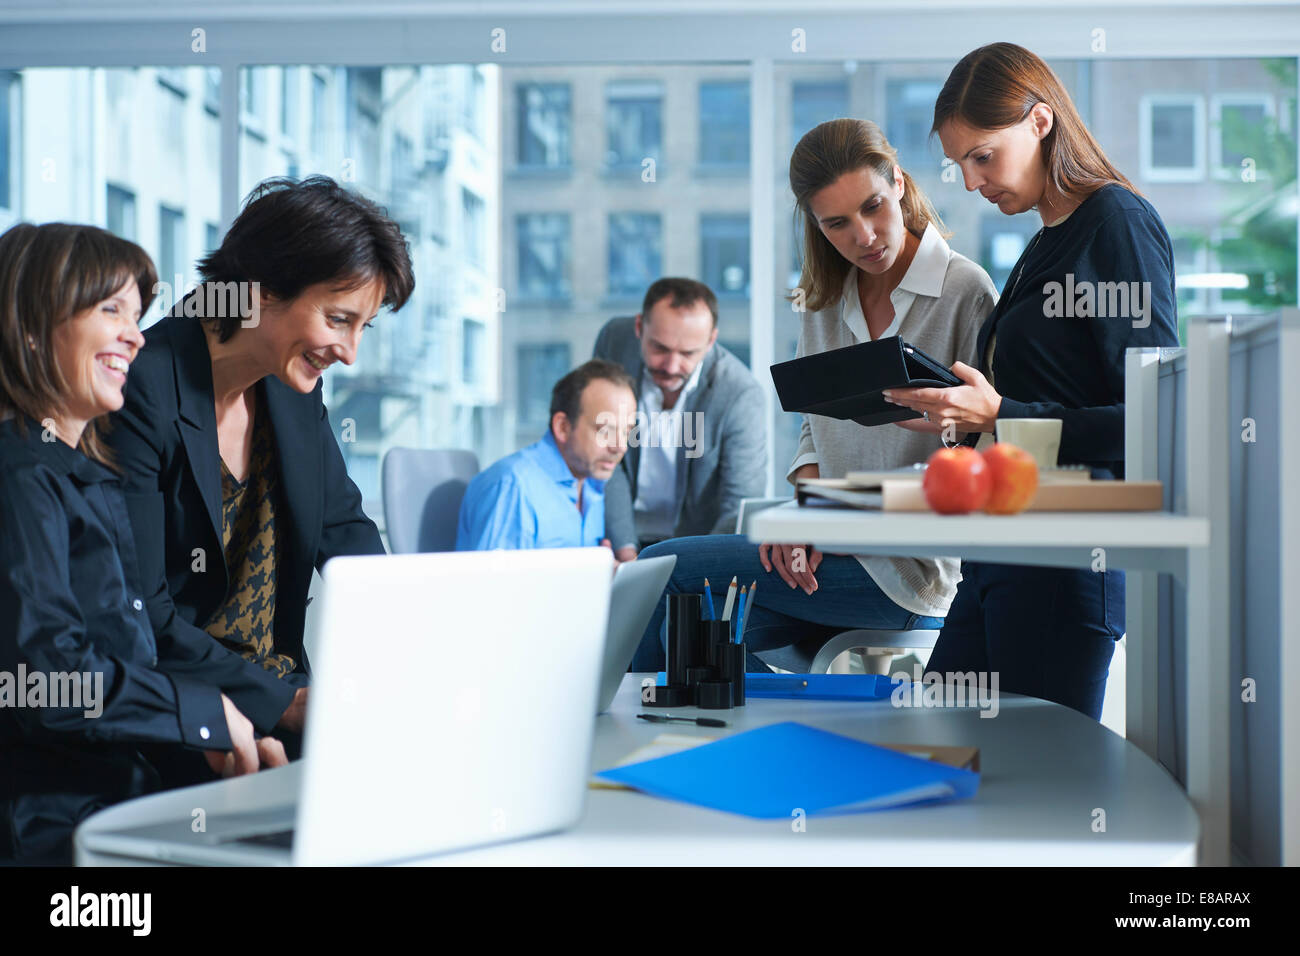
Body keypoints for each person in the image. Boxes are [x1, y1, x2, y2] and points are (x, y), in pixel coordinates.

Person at [632, 119, 996, 673]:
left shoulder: (965, 290)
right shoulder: (824, 300)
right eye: (837, 224)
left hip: (908, 568)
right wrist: (806, 510)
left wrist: (827, 518)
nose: (864, 237)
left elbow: (983, 451)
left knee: (658, 571)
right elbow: (814, 428)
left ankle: (616, 741)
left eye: (873, 206)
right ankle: (712, 751)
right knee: (697, 627)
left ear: (898, 182)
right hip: (831, 546)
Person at [885, 42, 1180, 720]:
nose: (969, 182)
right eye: (959, 164)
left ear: (1041, 122)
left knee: (1028, 794)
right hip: (1004, 549)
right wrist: (965, 419)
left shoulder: (1114, 224)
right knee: (946, 750)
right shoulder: (1046, 241)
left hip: (1066, 556)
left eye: (982, 156)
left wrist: (999, 414)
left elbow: (1153, 418)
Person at [105, 175, 414, 768]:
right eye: (338, 320)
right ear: (263, 291)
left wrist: (407, 645)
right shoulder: (142, 390)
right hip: (184, 714)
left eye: (363, 328)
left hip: (288, 703)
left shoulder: (294, 387)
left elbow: (345, 531)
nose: (350, 353)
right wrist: (289, 703)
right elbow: (141, 610)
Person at [0, 223, 285, 865]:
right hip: (57, 837)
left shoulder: (84, 475)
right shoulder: (19, 478)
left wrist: (209, 734)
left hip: (123, 801)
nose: (135, 333)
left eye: (137, 313)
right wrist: (198, 714)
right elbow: (44, 681)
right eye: (111, 310)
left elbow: (122, 667)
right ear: (30, 328)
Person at [592, 278, 767, 561]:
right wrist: (625, 550)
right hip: (618, 534)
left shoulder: (740, 394)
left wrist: (691, 572)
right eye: (660, 348)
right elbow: (607, 457)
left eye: (687, 353)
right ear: (639, 327)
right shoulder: (615, 342)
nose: (671, 366)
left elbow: (738, 504)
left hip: (696, 544)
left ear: (711, 341)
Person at [457, 360, 636, 551]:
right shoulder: (513, 486)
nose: (620, 447)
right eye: (605, 431)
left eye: (626, 432)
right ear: (563, 427)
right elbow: (494, 580)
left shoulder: (592, 485)